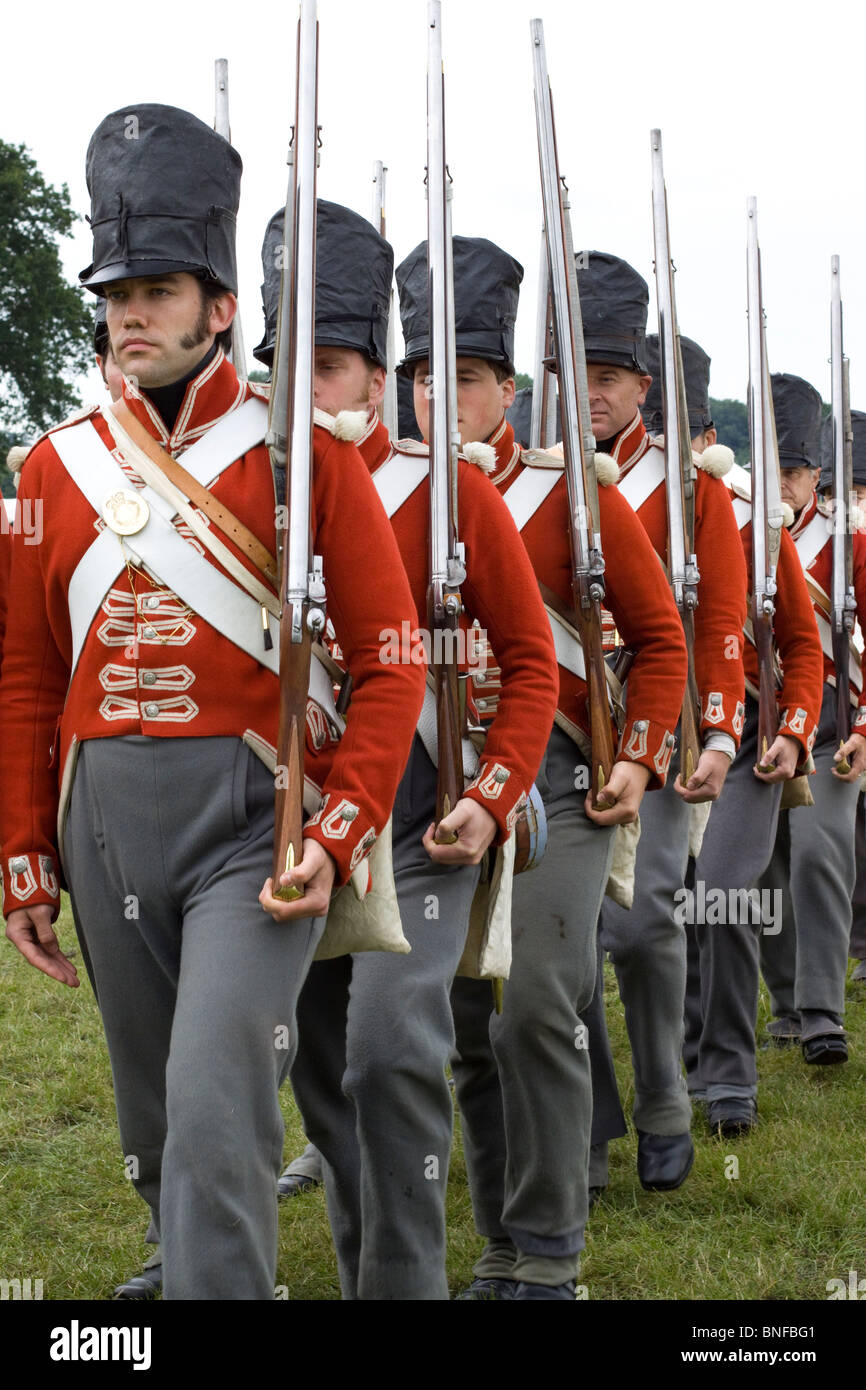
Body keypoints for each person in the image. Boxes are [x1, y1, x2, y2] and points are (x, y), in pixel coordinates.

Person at [0, 106, 424, 1301]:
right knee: (152, 1116)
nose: (127, 310)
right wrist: (25, 852)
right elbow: (27, 670)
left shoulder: (302, 454)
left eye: (157, 286)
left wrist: (340, 829)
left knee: (214, 1091)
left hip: (258, 820)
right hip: (102, 823)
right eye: (115, 288)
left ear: (219, 303)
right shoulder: (52, 465)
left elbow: (392, 659)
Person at [256, 216, 559, 1300]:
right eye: (293, 369)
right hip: (294, 834)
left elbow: (533, 666)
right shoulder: (254, 495)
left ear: (377, 382)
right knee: (328, 1079)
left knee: (390, 1057)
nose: (311, 390)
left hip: (423, 829)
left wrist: (490, 793)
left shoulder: (449, 488)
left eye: (331, 367)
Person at [448, 253, 690, 1298]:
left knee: (537, 1003)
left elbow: (664, 640)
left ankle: (549, 1251)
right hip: (438, 789)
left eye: (461, 374)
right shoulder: (389, 495)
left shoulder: (570, 493)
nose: (436, 393)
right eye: (417, 372)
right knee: (463, 1025)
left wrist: (639, 757)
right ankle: (501, 1235)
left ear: (506, 387)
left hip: (558, 784)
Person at [573, 263, 748, 1201]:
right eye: (576, 372)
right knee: (562, 949)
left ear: (644, 385)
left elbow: (720, 620)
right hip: (561, 732)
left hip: (662, 724)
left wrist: (717, 738)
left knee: (643, 932)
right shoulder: (532, 477)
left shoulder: (690, 488)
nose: (591, 392)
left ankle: (668, 1100)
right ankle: (592, 1124)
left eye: (610, 375)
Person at [687, 370, 825, 1134]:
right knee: (661, 908)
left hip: (741, 735)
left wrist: (794, 730)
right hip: (647, 731)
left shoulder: (753, 527)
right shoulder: (600, 510)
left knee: (727, 893)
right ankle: (683, 1054)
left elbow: (804, 650)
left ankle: (728, 1072)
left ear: (709, 442)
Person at [756, 387, 866, 1063]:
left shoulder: (849, 543)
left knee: (820, 856)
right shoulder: (741, 533)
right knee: (764, 871)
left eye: (794, 473)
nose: (786, 486)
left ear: (815, 475)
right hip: (762, 730)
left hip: (832, 730)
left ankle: (823, 1011)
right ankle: (788, 1002)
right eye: (776, 471)